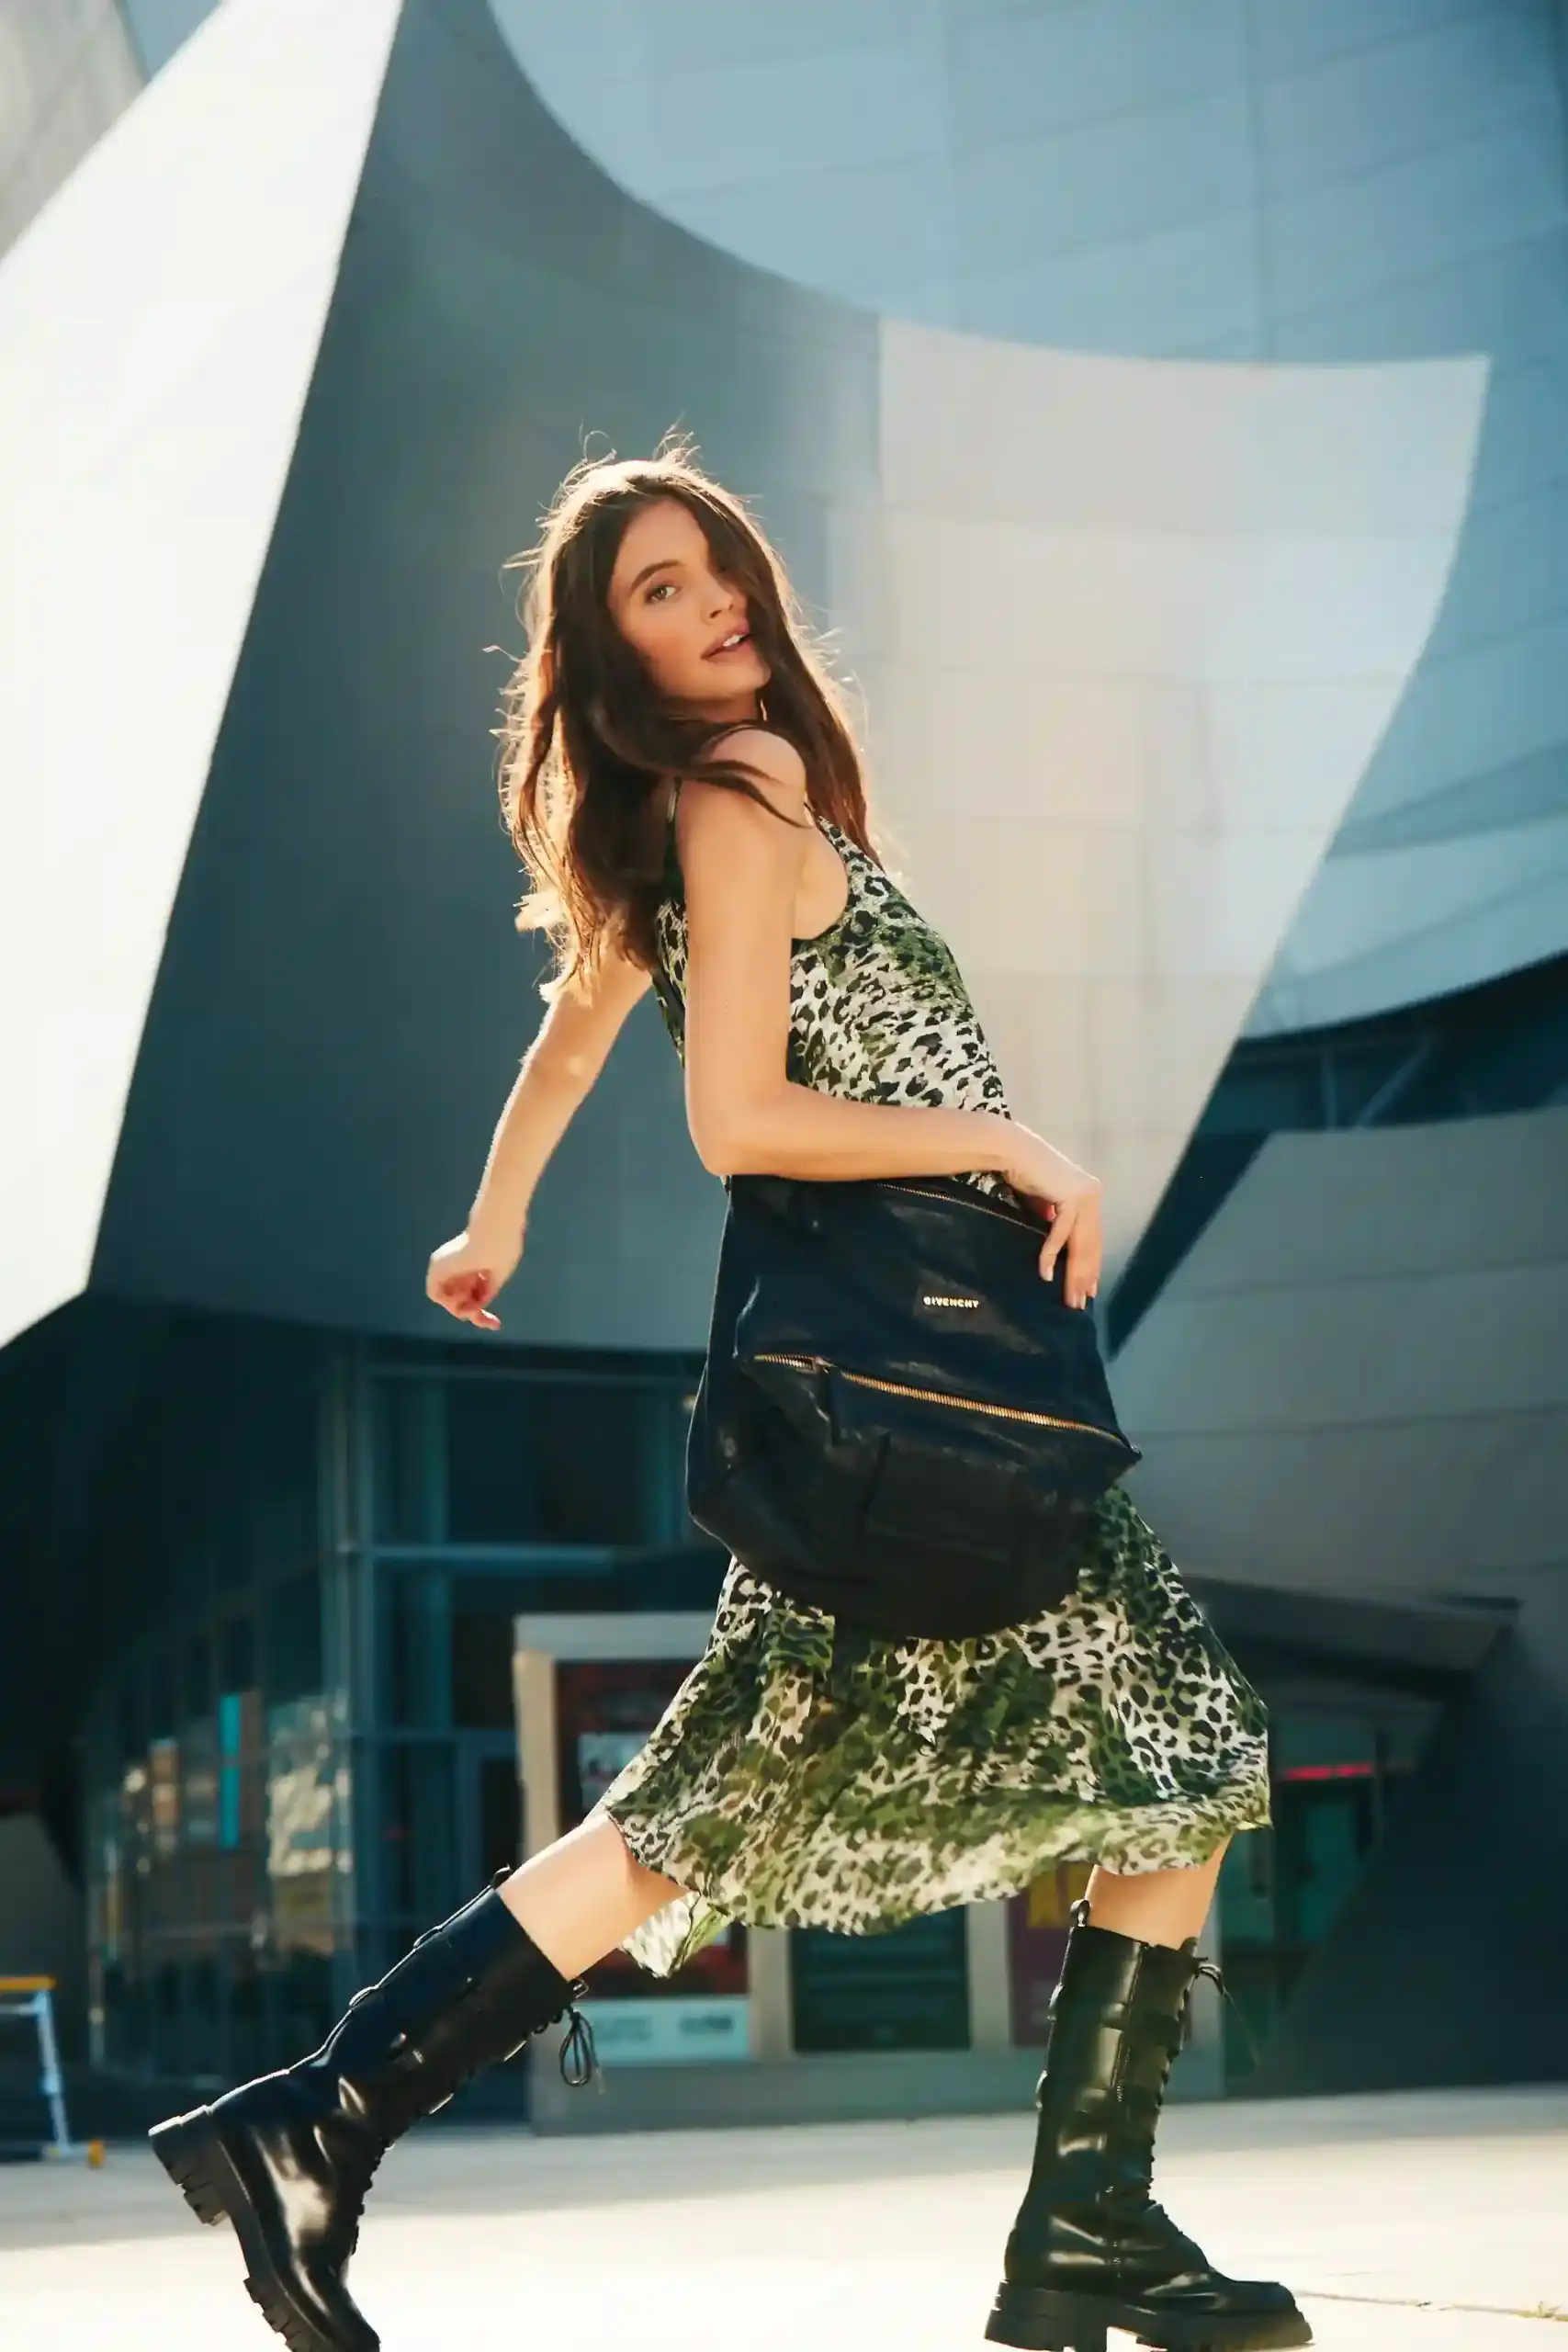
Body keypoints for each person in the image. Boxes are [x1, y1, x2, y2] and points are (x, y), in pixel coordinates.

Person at [149, 445, 1311, 2352]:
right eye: (657, 595)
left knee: (779, 1798)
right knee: (1159, 1744)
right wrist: (1010, 1139)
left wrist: (490, 1216)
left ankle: (321, 2121)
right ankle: (1081, 2223)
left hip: (918, 1398)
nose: (712, 606)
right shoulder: (727, 816)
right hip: (920, 1393)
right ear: (613, 664)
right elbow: (738, 1116)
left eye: (712, 573)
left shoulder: (724, 819)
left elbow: (569, 1039)